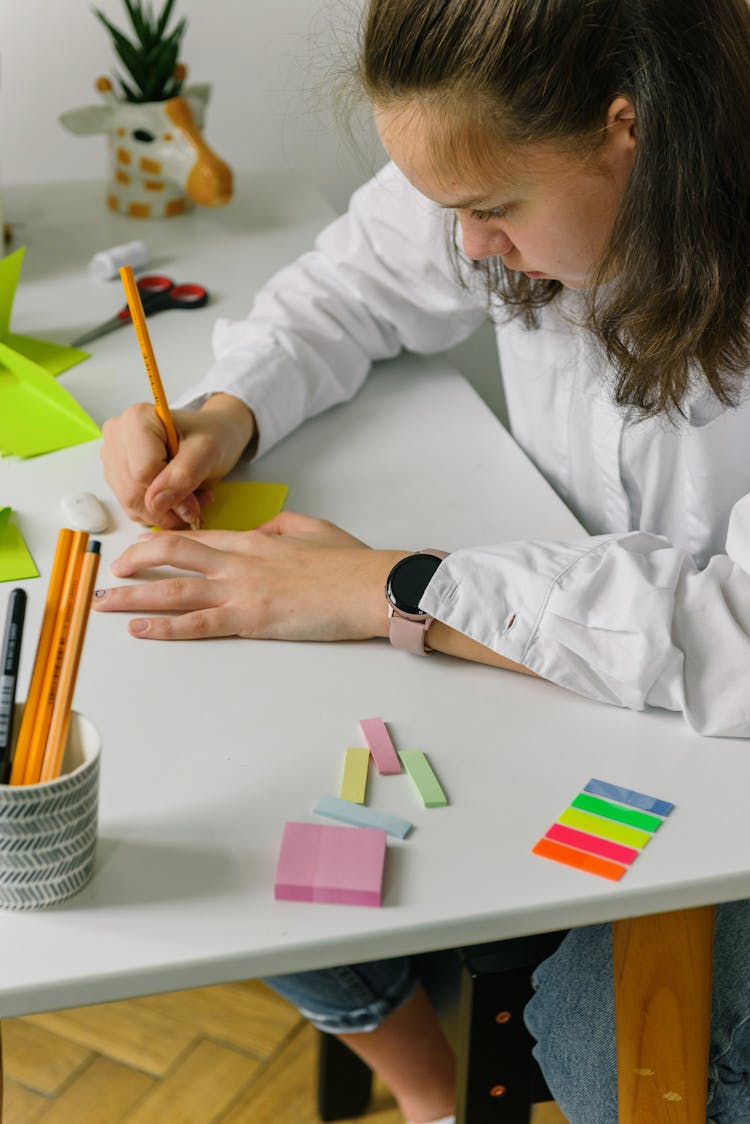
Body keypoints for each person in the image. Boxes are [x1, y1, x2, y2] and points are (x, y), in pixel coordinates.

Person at [94, 0, 750, 1120]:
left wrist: (393, 586)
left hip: (713, 729)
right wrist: (228, 409)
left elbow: (726, 632)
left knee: (602, 1036)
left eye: (494, 209)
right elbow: (354, 283)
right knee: (247, 831)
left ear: (627, 128)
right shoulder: (496, 159)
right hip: (567, 657)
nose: (473, 245)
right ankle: (432, 1089)